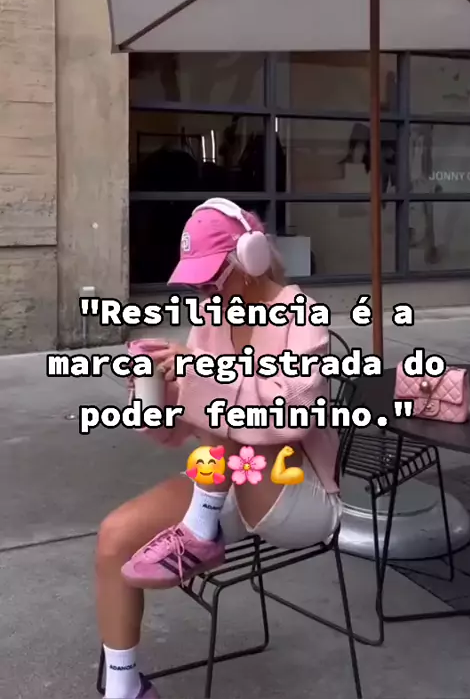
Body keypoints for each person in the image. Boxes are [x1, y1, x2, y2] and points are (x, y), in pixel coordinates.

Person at [97, 198, 342, 699]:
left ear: (251, 259)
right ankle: (126, 690)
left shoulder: (302, 317)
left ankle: (197, 531)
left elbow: (288, 414)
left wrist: (201, 374)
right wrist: (156, 394)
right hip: (227, 484)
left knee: (237, 428)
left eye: (212, 280)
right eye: (197, 284)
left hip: (297, 493)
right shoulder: (212, 320)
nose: (204, 293)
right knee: (114, 537)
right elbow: (187, 426)